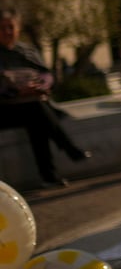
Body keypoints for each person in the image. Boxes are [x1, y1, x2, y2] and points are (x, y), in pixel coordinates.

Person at [0, 9, 90, 188]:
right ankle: (68, 149)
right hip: (4, 108)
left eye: (11, 27)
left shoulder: (26, 52)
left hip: (28, 105)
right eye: (2, 28)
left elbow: (46, 74)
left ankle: (50, 176)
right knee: (37, 111)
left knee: (37, 118)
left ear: (18, 29)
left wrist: (41, 87)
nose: (7, 32)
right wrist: (18, 92)